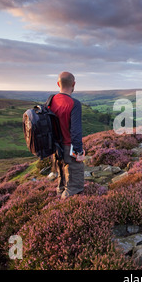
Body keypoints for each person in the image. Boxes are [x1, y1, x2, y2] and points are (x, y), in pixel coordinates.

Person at [49, 71, 86, 199]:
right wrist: (79, 152)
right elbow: (75, 131)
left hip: (55, 148)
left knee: (62, 181)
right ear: (74, 84)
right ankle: (68, 211)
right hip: (68, 147)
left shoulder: (50, 101)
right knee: (74, 187)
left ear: (58, 83)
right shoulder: (74, 104)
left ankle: (59, 204)